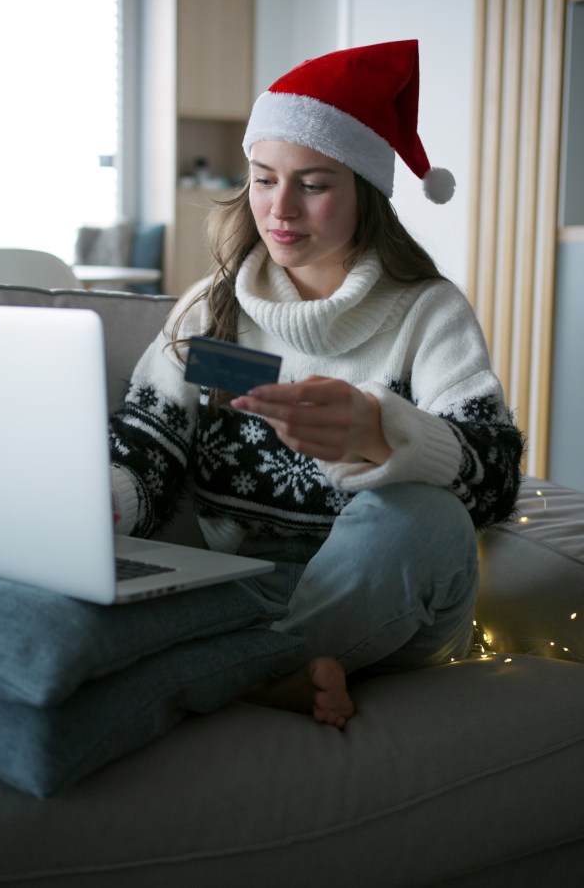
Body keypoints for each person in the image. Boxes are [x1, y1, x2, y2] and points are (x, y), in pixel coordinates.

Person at [110, 40, 523, 731]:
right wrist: (103, 504)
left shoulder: (427, 313)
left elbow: (497, 479)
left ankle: (231, 669)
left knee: (427, 519)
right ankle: (272, 669)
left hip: (380, 595)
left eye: (314, 183)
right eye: (264, 178)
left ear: (364, 192)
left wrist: (383, 434)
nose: (280, 209)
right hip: (227, 585)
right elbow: (147, 448)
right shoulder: (212, 311)